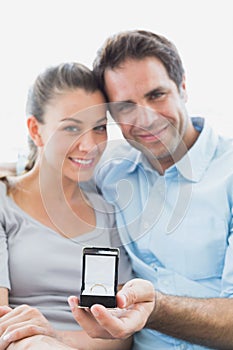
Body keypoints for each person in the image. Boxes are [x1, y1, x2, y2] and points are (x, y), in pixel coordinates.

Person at [66, 30, 233, 350]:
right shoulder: (112, 171)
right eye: (126, 106)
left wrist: (152, 309)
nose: (146, 118)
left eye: (157, 95)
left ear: (183, 87)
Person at [0, 62, 132, 349]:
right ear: (36, 130)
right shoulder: (4, 204)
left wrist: (57, 337)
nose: (89, 145)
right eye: (71, 128)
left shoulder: (108, 214)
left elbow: (118, 336)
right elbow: (3, 325)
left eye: (99, 128)